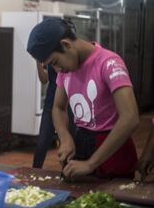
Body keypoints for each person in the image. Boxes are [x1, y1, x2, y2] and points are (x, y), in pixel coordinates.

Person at [27, 18, 139, 179]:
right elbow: (58, 107)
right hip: (82, 141)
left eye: (55, 62)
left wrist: (91, 163)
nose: (57, 70)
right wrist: (65, 137)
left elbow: (130, 118)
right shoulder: (66, 71)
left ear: (66, 45)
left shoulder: (109, 63)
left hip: (112, 148)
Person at [32, 62, 75, 169]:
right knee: (42, 142)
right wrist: (37, 61)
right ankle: (34, 172)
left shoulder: (63, 55)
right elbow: (44, 79)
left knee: (68, 141)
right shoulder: (47, 56)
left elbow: (65, 71)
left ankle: (66, 174)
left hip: (69, 103)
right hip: (50, 103)